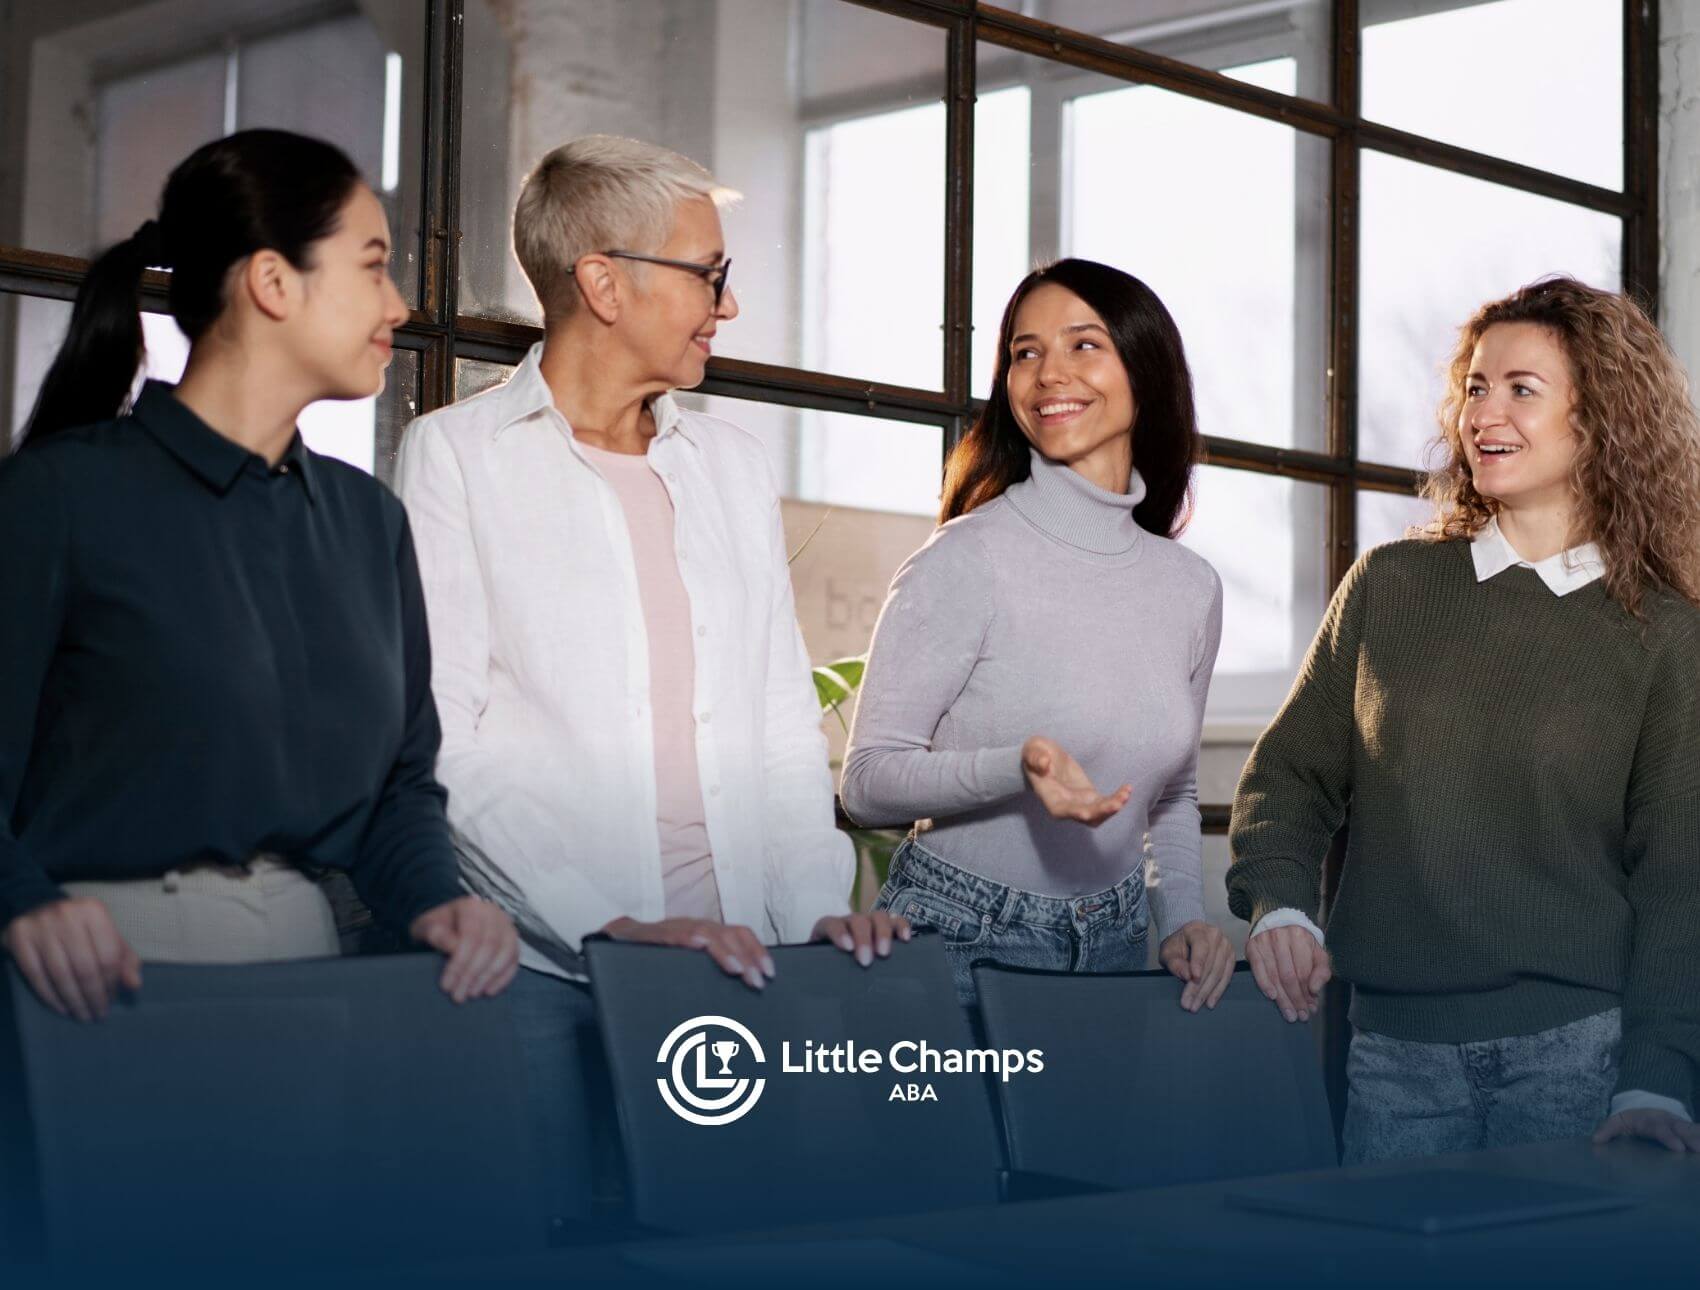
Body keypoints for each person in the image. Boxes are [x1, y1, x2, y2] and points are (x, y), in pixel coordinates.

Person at [394, 135, 904, 1229]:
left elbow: (775, 723)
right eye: (707, 273)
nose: (725, 305)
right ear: (603, 281)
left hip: (739, 971)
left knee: (741, 1242)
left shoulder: (728, 465)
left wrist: (815, 915)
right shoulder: (454, 456)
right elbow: (450, 741)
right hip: (547, 966)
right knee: (548, 1246)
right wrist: (611, 922)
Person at [0, 130, 518, 1023]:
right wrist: (24, 903)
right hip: (92, 985)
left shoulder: (368, 523)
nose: (397, 304)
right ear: (273, 282)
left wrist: (440, 900)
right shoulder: (60, 495)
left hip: (319, 978)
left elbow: (401, 785)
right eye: (372, 266)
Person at [1229, 276, 1700, 1161]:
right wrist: (1279, 904)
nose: (1486, 412)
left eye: (1524, 388)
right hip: (1391, 1059)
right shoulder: (1390, 586)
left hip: (1581, 1060)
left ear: (1601, 419)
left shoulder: (1667, 637)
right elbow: (1287, 776)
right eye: (1477, 387)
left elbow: (1682, 886)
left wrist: (1657, 1079)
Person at [841, 258, 1232, 1009]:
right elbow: (866, 784)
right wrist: (1016, 767)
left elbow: (1171, 790)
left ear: (1144, 370)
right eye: (1026, 352)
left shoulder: (1190, 587)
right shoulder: (967, 557)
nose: (1049, 372)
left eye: (1084, 345)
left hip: (1118, 941)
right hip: (957, 938)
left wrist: (1182, 918)